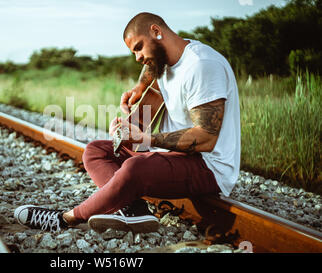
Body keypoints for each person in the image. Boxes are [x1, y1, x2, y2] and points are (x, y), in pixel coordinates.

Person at [14, 12, 241, 233]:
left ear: (156, 31)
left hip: (208, 166)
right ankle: (133, 209)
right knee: (95, 151)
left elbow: (206, 138)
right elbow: (152, 80)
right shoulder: (166, 61)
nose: (137, 58)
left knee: (135, 167)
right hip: (173, 156)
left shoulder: (202, 65)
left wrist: (145, 139)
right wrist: (137, 95)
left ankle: (66, 219)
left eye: (138, 48)